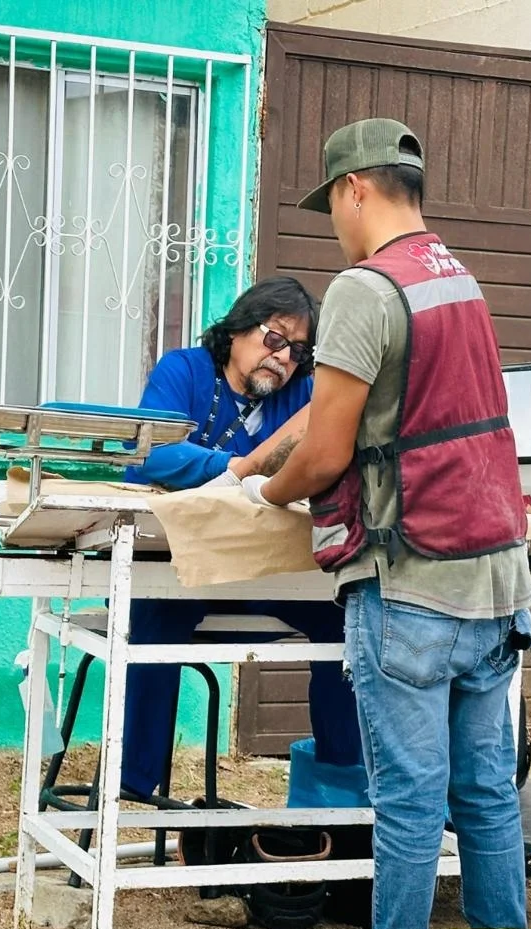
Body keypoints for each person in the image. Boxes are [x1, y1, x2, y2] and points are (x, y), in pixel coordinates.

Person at [241, 119, 531, 929]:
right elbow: (369, 409)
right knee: (482, 794)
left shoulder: (364, 290)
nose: (334, 220)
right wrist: (264, 454)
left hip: (410, 585)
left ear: (354, 189)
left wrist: (268, 490)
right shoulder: (458, 280)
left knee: (408, 800)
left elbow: (329, 450)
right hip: (494, 583)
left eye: (331, 202)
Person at [120, 277, 363, 800]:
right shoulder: (183, 371)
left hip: (262, 571)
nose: (284, 358)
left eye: (298, 350)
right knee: (151, 628)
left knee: (349, 628)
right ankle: (137, 791)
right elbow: (148, 456)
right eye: (274, 339)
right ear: (236, 331)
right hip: (179, 565)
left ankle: (345, 783)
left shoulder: (303, 395)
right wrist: (236, 468)